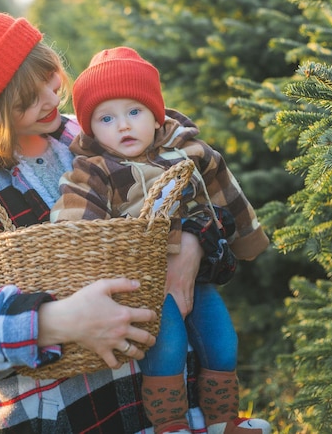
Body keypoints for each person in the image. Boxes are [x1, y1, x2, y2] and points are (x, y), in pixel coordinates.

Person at [0, 3, 208, 434]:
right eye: (26, 98)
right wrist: (56, 322)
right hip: (69, 420)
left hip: (175, 411)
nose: (53, 98)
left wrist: (190, 242)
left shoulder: (99, 135)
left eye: (50, 76)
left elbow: (196, 187)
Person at [50, 47, 272, 434]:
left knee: (222, 341)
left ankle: (223, 420)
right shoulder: (95, 170)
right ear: (91, 129)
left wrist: (247, 238)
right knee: (166, 349)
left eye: (134, 111)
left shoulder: (189, 150)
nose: (123, 126)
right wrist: (77, 259)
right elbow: (75, 220)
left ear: (156, 114)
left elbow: (226, 192)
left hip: (198, 272)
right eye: (106, 118)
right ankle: (170, 425)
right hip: (145, 282)